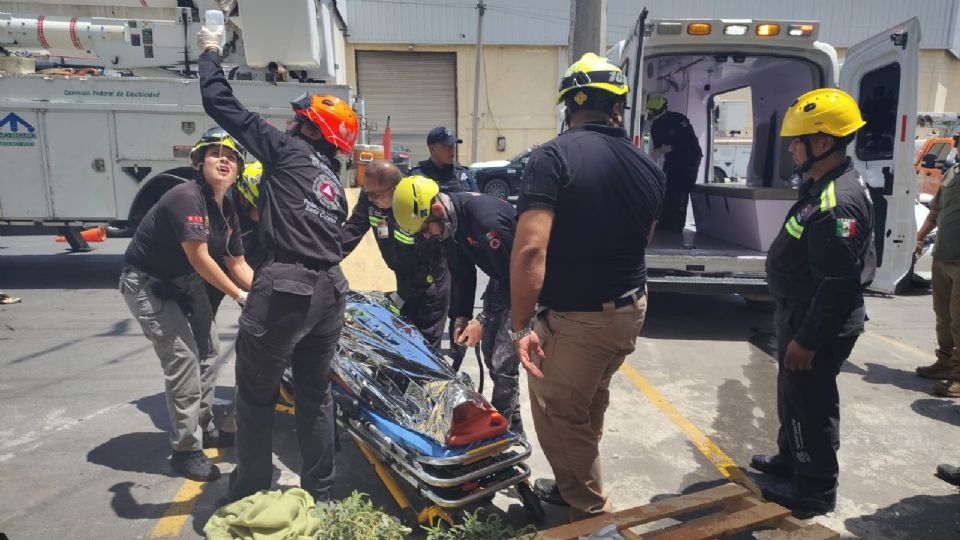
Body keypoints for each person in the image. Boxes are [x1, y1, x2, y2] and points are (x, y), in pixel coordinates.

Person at [197, 24, 358, 503]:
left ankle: (249, 485)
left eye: (297, 120)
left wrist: (210, 55)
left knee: (255, 394)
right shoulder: (332, 188)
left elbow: (223, 108)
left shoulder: (286, 152)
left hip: (286, 289)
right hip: (330, 293)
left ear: (311, 129)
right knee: (314, 394)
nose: (289, 125)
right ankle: (322, 492)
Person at [510, 52, 664, 521]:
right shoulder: (647, 166)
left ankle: (596, 518)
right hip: (628, 310)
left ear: (568, 108)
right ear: (617, 107)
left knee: (558, 412)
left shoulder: (552, 157)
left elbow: (530, 250)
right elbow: (645, 239)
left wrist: (520, 327)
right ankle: (569, 485)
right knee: (588, 400)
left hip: (581, 319)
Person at [751, 88, 875, 518]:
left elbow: (839, 284)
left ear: (823, 143)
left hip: (817, 322)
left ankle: (814, 488)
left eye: (797, 140)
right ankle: (792, 459)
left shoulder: (837, 202)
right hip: (800, 313)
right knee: (793, 396)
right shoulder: (821, 185)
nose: (790, 147)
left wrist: (807, 339)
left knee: (810, 402)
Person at [119, 127, 254, 481]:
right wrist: (241, 297)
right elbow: (201, 259)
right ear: (199, 162)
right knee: (184, 362)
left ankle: (204, 426)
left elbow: (237, 263)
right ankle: (185, 450)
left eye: (231, 156)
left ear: (238, 168)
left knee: (210, 352)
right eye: (215, 154)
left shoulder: (227, 209)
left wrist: (268, 293)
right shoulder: (186, 196)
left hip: (184, 281)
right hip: (147, 283)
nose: (224, 160)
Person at [392, 176, 525, 436]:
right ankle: (513, 420)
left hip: (525, 282)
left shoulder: (486, 223)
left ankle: (502, 433)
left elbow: (516, 278)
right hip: (504, 277)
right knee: (489, 353)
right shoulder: (449, 226)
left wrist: (483, 319)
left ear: (437, 210)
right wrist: (462, 317)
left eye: (425, 229)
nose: (426, 235)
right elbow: (462, 272)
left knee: (502, 362)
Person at [342, 159, 450, 348]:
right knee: (398, 346)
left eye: (376, 195)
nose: (371, 200)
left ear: (396, 188)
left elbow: (430, 257)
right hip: (402, 278)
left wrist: (404, 295)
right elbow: (355, 227)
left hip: (428, 288)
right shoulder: (371, 196)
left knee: (424, 351)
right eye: (368, 194)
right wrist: (326, 257)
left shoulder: (415, 204)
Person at [914, 135, 960, 398]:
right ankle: (944, 361)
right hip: (943, 257)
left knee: (959, 322)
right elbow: (935, 211)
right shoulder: (953, 172)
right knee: (944, 317)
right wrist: (919, 238)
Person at [205, 159, 266, 316]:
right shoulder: (220, 209)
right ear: (244, 199)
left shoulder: (273, 208)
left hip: (249, 264)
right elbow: (200, 256)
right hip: (212, 268)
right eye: (261, 210)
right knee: (202, 323)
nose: (267, 216)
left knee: (262, 322)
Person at [647, 95, 702, 232]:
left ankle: (677, 225)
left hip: (689, 158)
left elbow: (689, 142)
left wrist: (673, 147)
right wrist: (656, 154)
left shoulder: (679, 120)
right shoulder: (656, 127)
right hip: (672, 159)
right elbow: (658, 148)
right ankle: (664, 222)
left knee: (681, 190)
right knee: (667, 188)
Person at [409, 126, 478, 193]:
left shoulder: (463, 174)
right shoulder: (418, 176)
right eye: (446, 146)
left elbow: (478, 201)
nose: (451, 149)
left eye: (452, 145)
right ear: (432, 149)